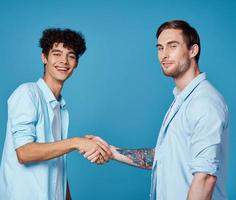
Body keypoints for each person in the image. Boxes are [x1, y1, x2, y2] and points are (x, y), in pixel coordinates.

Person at [86, 20, 229, 200]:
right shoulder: (182, 100)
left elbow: (205, 177)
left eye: (172, 46)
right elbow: (163, 157)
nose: (164, 54)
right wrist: (111, 151)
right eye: (160, 48)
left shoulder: (204, 102)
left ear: (193, 50)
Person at [0, 28, 112, 200]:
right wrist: (77, 142)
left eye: (71, 56)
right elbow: (24, 152)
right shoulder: (27, 93)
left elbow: (57, 166)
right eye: (57, 54)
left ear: (76, 63)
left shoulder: (61, 108)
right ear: (44, 57)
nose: (63, 61)